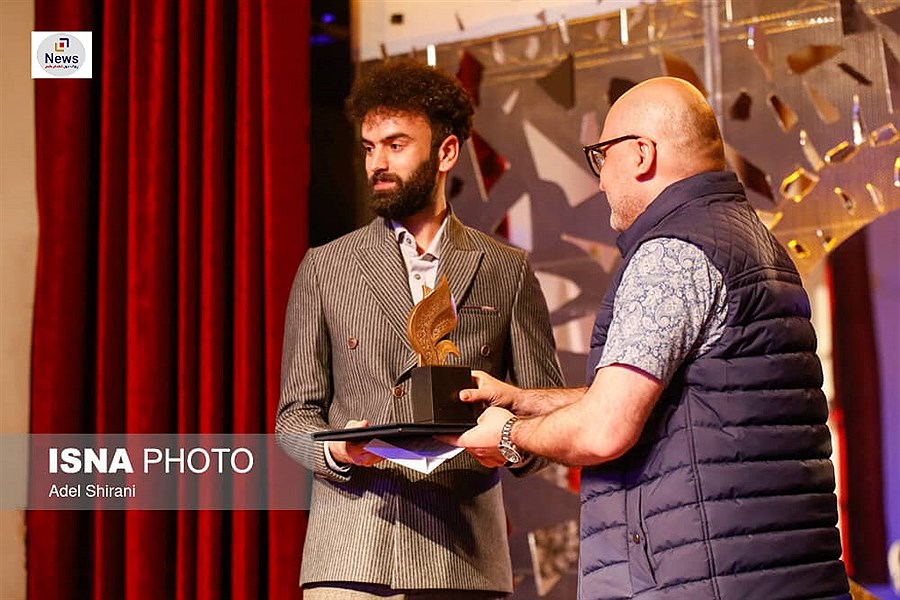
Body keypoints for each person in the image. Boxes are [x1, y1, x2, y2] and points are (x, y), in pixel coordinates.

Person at [446, 77, 850, 599]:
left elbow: (605, 429)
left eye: (601, 156)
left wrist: (509, 435)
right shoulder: (748, 237)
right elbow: (674, 396)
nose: (599, 181)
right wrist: (527, 402)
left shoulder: (671, 254)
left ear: (641, 154)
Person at [275, 58, 563, 599]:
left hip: (464, 559)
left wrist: (507, 444)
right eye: (369, 148)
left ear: (446, 152)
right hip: (353, 555)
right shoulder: (326, 267)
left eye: (396, 144)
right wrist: (338, 451)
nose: (378, 163)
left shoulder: (505, 269)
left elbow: (540, 408)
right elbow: (293, 418)